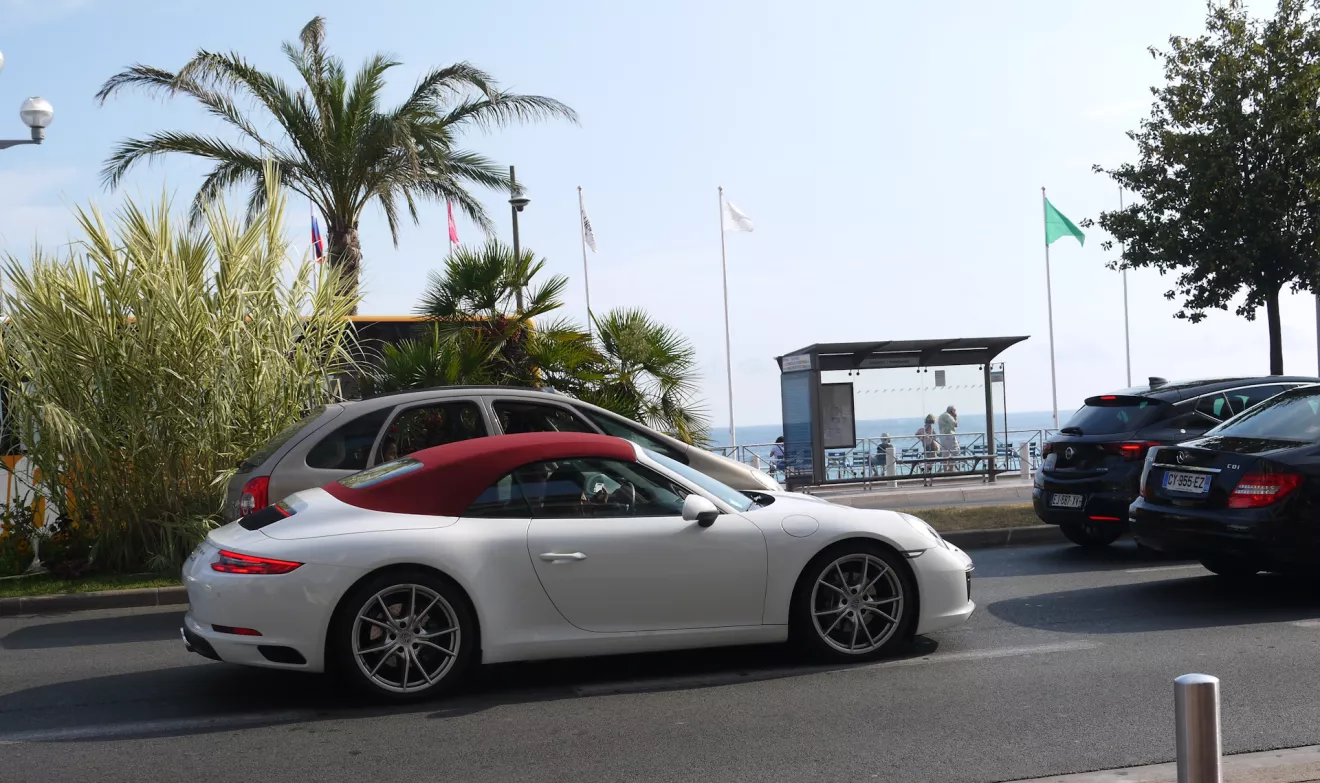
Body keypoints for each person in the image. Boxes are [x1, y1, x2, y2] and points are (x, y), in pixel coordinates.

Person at [937, 406, 958, 470]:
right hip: (949, 436)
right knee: (955, 452)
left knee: (945, 455)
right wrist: (955, 417)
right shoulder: (948, 415)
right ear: (952, 411)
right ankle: (950, 469)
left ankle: (945, 471)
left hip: (942, 437)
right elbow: (955, 424)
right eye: (955, 411)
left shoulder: (941, 416)